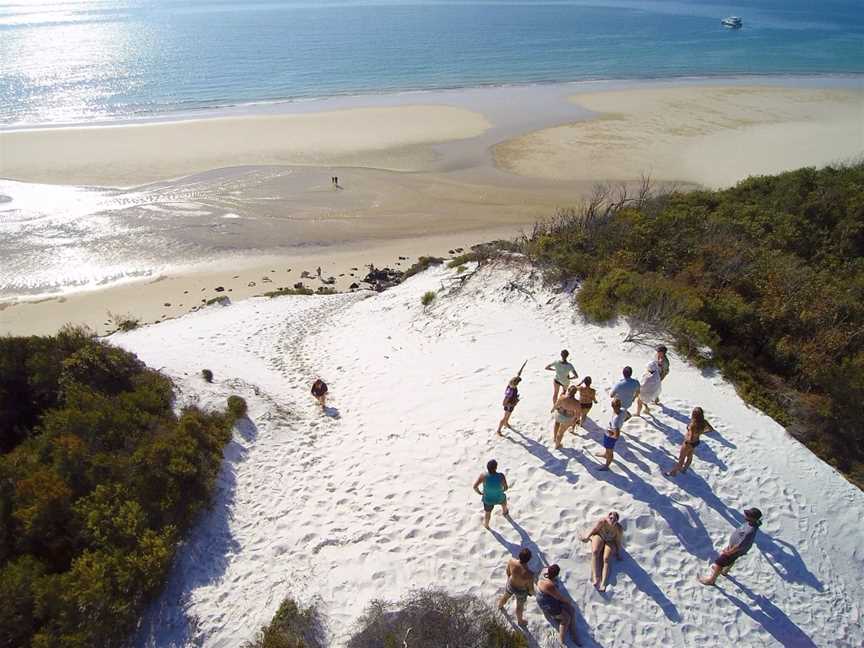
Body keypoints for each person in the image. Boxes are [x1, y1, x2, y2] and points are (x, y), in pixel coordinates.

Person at [699, 508, 763, 585]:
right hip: (734, 547)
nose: (745, 515)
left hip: (735, 550)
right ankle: (724, 571)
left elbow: (739, 545)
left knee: (719, 563)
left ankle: (711, 580)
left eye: (748, 515)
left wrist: (728, 552)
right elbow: (759, 522)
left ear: (753, 518)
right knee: (731, 560)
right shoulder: (753, 523)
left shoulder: (749, 531)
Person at [536, 564, 581, 645]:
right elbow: (560, 598)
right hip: (547, 603)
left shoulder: (543, 573)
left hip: (544, 597)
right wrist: (569, 601)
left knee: (572, 610)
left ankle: (573, 631)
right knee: (566, 619)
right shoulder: (550, 585)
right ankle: (562, 640)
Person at [580, 511, 623, 592]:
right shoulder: (602, 522)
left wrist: (618, 552)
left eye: (615, 519)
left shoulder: (618, 529)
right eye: (611, 518)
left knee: (606, 559)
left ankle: (603, 583)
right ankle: (596, 578)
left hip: (610, 541)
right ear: (608, 516)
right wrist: (587, 536)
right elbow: (594, 529)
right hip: (600, 536)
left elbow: (618, 541)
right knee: (595, 552)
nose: (612, 520)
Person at [665, 407, 714, 476]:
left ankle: (673, 472)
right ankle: (684, 469)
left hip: (688, 443)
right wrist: (701, 432)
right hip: (696, 442)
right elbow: (711, 429)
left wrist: (687, 438)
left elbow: (690, 437)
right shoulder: (704, 422)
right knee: (690, 456)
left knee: (681, 459)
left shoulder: (693, 425)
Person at [497, 547, 535, 627]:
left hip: (511, 584)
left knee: (505, 596)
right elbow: (530, 588)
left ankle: (500, 605)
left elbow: (508, 572)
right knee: (519, 606)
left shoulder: (511, 561)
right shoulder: (529, 574)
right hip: (521, 590)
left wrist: (510, 579)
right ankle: (520, 621)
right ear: (529, 560)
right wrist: (531, 593)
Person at [473, 459, 509, 529]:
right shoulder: (501, 476)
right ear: (496, 468)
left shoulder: (483, 476)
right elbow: (506, 487)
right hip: (499, 496)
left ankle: (486, 525)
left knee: (487, 513)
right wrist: (501, 490)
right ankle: (505, 512)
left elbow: (475, 487)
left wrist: (479, 492)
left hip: (488, 499)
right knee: (504, 502)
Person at [596, 398, 625, 471]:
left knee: (610, 451)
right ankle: (605, 455)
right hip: (609, 434)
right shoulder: (623, 410)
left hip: (610, 437)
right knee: (607, 449)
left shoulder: (616, 420)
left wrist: (611, 434)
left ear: (612, 406)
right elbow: (628, 416)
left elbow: (617, 435)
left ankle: (607, 465)